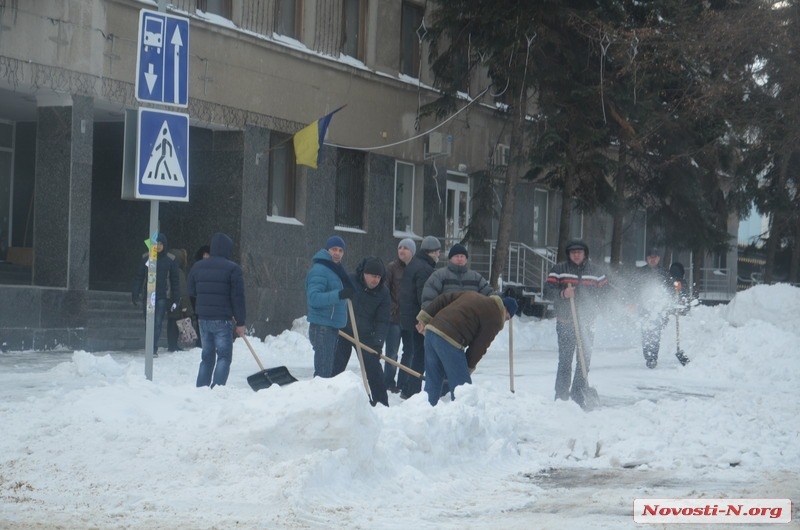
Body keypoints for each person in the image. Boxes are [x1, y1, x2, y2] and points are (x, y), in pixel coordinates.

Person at [416, 292, 518, 406]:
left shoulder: (474, 295)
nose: (505, 321)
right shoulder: (496, 317)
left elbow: (444, 297)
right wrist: (467, 368)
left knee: (433, 382)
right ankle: (463, 421)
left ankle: (427, 416)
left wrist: (425, 318)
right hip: (449, 338)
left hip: (431, 332)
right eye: (507, 319)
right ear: (506, 311)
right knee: (463, 390)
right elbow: (479, 346)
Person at [543, 239, 609, 408]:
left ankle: (578, 393)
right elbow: (547, 291)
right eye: (573, 252)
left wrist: (602, 305)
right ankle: (561, 396)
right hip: (566, 322)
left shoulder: (595, 272)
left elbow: (607, 292)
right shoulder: (559, 270)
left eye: (579, 252)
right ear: (569, 255)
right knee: (565, 360)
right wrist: (563, 293)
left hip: (587, 324)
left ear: (585, 254)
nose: (576, 255)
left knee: (584, 361)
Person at [187, 232, 247, 388]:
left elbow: (191, 290)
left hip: (203, 318)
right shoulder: (233, 269)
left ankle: (201, 387)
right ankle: (218, 388)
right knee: (224, 357)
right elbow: (238, 297)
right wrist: (240, 322)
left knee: (207, 356)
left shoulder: (197, 266)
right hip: (222, 318)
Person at [332, 256, 391, 406]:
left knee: (374, 370)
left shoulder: (383, 293)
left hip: (366, 335)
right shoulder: (350, 280)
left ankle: (381, 404)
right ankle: (328, 399)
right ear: (364, 273)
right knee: (335, 367)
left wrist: (378, 344)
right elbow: (334, 296)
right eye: (372, 276)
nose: (375, 280)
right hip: (344, 331)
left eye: (378, 277)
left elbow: (382, 321)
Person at [397, 235, 441, 399]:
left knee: (413, 353)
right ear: (434, 252)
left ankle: (407, 388)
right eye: (438, 253)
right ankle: (411, 391)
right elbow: (424, 297)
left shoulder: (414, 265)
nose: (438, 256)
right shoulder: (425, 269)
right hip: (418, 320)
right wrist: (425, 319)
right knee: (420, 355)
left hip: (409, 317)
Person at [305, 235, 355, 378]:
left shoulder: (335, 269)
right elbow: (313, 298)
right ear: (327, 250)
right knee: (323, 372)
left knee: (326, 370)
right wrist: (339, 294)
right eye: (334, 249)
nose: (337, 253)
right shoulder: (320, 270)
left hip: (330, 325)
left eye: (340, 250)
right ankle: (318, 398)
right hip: (322, 326)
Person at [131, 232, 180, 356]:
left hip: (162, 296)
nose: (158, 246)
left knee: (157, 323)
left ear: (164, 245)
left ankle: (153, 347)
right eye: (156, 243)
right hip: (148, 295)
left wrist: (176, 297)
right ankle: (150, 345)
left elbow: (175, 280)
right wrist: (135, 292)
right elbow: (139, 276)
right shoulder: (146, 258)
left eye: (161, 243)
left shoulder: (170, 260)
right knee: (149, 321)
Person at [383, 238, 416, 393]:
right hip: (394, 318)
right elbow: (385, 290)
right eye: (400, 247)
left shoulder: (416, 268)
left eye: (406, 248)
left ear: (412, 252)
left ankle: (404, 382)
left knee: (410, 352)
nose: (402, 250)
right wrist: (392, 308)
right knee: (391, 353)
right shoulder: (391, 268)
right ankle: (388, 382)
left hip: (411, 319)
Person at [421, 243, 494, 309]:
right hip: (445, 320)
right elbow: (429, 299)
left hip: (471, 320)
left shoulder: (476, 278)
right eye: (456, 256)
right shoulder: (439, 276)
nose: (459, 259)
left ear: (466, 259)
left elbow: (490, 296)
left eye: (462, 256)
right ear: (450, 259)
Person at [635, 248, 675, 369]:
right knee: (646, 332)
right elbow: (634, 288)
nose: (653, 259)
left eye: (655, 257)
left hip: (658, 309)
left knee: (655, 332)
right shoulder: (641, 272)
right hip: (643, 308)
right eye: (650, 257)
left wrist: (673, 296)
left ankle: (653, 357)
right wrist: (633, 301)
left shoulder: (664, 273)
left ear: (659, 258)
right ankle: (648, 356)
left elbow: (670, 290)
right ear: (647, 258)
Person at [166, 248, 194, 352]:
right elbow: (183, 290)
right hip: (177, 301)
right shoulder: (179, 272)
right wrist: (186, 306)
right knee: (175, 323)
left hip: (170, 299)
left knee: (171, 322)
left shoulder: (167, 269)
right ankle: (173, 345)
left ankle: (171, 344)